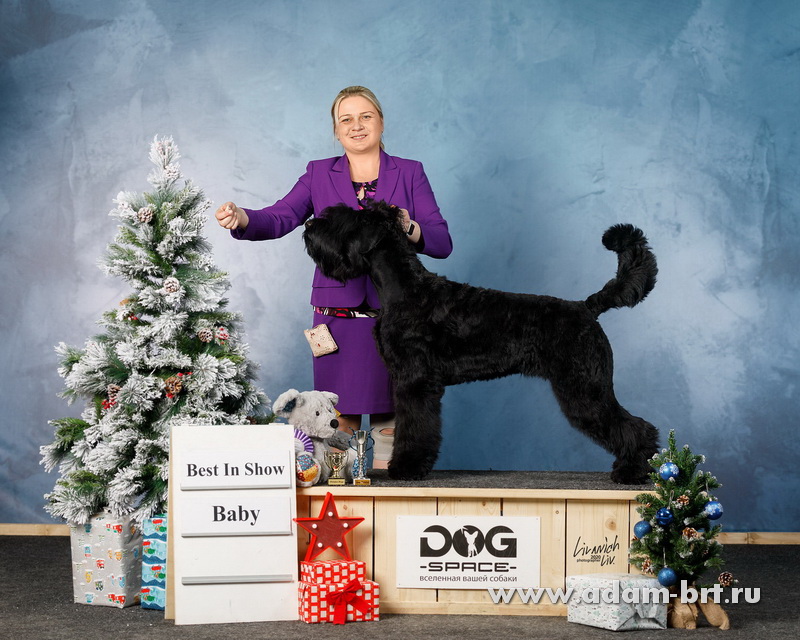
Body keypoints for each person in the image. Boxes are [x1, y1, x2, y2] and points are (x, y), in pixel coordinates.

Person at [215, 86, 453, 468]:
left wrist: (409, 227)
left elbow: (441, 242)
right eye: (346, 119)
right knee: (335, 422)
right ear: (336, 131)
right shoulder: (318, 173)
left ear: (381, 122)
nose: (356, 126)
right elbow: (279, 217)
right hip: (334, 322)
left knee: (393, 420)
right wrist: (242, 218)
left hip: (396, 320)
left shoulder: (410, 172)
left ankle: (390, 490)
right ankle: (342, 494)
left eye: (365, 116)